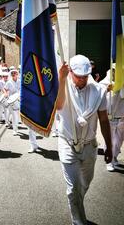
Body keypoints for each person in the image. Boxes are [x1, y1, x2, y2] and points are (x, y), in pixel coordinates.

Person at [56, 55, 112, 225]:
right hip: (67, 143)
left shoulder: (98, 91)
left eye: (85, 76)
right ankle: (78, 221)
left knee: (83, 185)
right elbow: (58, 106)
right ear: (70, 72)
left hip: (89, 146)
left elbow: (103, 120)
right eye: (78, 76)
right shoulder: (63, 86)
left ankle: (77, 207)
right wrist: (61, 79)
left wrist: (109, 146)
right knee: (73, 188)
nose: (81, 80)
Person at [99, 66, 124, 171]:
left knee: (119, 141)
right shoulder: (103, 84)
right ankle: (109, 162)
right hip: (110, 117)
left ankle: (115, 158)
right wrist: (107, 89)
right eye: (114, 71)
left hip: (122, 116)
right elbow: (99, 97)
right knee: (110, 140)